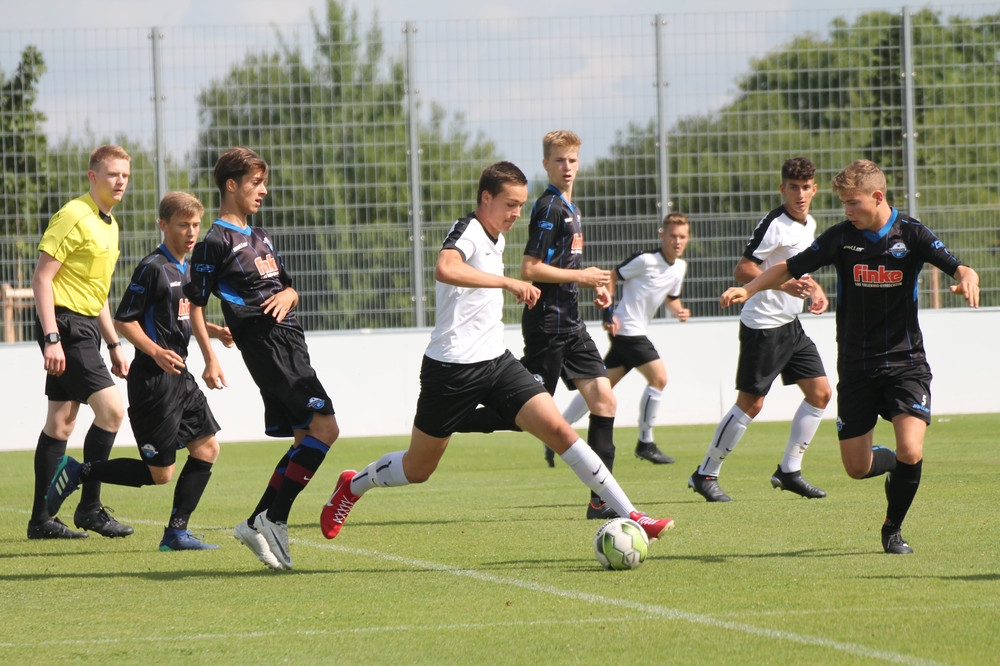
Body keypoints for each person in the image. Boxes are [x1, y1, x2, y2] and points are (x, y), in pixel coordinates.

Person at [319, 161, 674, 545]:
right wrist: (507, 282)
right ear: (486, 198)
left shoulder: (497, 237)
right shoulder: (469, 229)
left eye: (521, 205)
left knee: (559, 429)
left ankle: (633, 515)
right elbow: (445, 267)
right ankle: (352, 485)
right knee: (417, 468)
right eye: (510, 204)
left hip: (496, 363)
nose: (517, 213)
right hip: (451, 368)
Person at [720, 158, 980, 554]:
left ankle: (892, 529)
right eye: (843, 203)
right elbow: (789, 267)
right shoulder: (842, 238)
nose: (847, 211)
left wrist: (967, 277)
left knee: (912, 448)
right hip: (857, 366)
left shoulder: (911, 234)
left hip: (906, 362)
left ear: (877, 197)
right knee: (857, 468)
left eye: (852, 202)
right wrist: (749, 288)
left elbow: (960, 267)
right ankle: (900, 468)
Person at [45, 192, 232, 551]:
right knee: (159, 474)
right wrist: (156, 351)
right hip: (153, 381)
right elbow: (124, 320)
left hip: (180, 376)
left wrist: (213, 331)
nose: (191, 232)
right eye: (183, 225)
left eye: (195, 225)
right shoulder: (153, 268)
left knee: (207, 448)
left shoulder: (188, 269)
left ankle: (176, 533)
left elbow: (179, 317)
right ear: (163, 225)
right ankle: (80, 471)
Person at [184, 147, 341, 570]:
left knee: (305, 437)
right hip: (268, 346)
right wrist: (210, 356)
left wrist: (290, 295)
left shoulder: (261, 237)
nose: (263, 191)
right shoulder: (214, 241)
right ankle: (273, 518)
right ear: (231, 185)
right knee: (326, 428)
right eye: (256, 183)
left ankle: (258, 521)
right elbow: (194, 304)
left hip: (291, 341)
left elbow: (288, 288)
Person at [689, 157, 832, 503]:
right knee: (751, 405)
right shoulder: (775, 224)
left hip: (791, 325)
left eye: (806, 187)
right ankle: (705, 473)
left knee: (821, 394)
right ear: (783, 189)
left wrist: (815, 289)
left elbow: (797, 268)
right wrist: (783, 286)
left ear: (815, 189)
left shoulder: (808, 223)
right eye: (793, 187)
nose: (800, 194)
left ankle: (789, 471)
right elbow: (743, 269)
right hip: (764, 326)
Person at [27, 145, 134, 540]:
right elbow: (42, 279)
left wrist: (114, 344)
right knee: (112, 411)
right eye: (112, 174)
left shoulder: (111, 225)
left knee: (61, 423)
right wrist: (52, 338)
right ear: (93, 176)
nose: (120, 181)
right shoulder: (74, 215)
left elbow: (97, 293)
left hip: (85, 327)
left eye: (125, 175)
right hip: (65, 326)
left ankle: (41, 521)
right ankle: (89, 508)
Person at [561, 212, 692, 464]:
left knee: (600, 387)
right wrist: (609, 312)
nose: (677, 241)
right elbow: (611, 276)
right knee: (659, 378)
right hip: (628, 330)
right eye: (673, 236)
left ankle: (561, 428)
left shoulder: (680, 267)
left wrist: (679, 311)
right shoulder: (645, 260)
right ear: (662, 235)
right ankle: (645, 443)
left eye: (682, 237)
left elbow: (672, 298)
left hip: (633, 331)